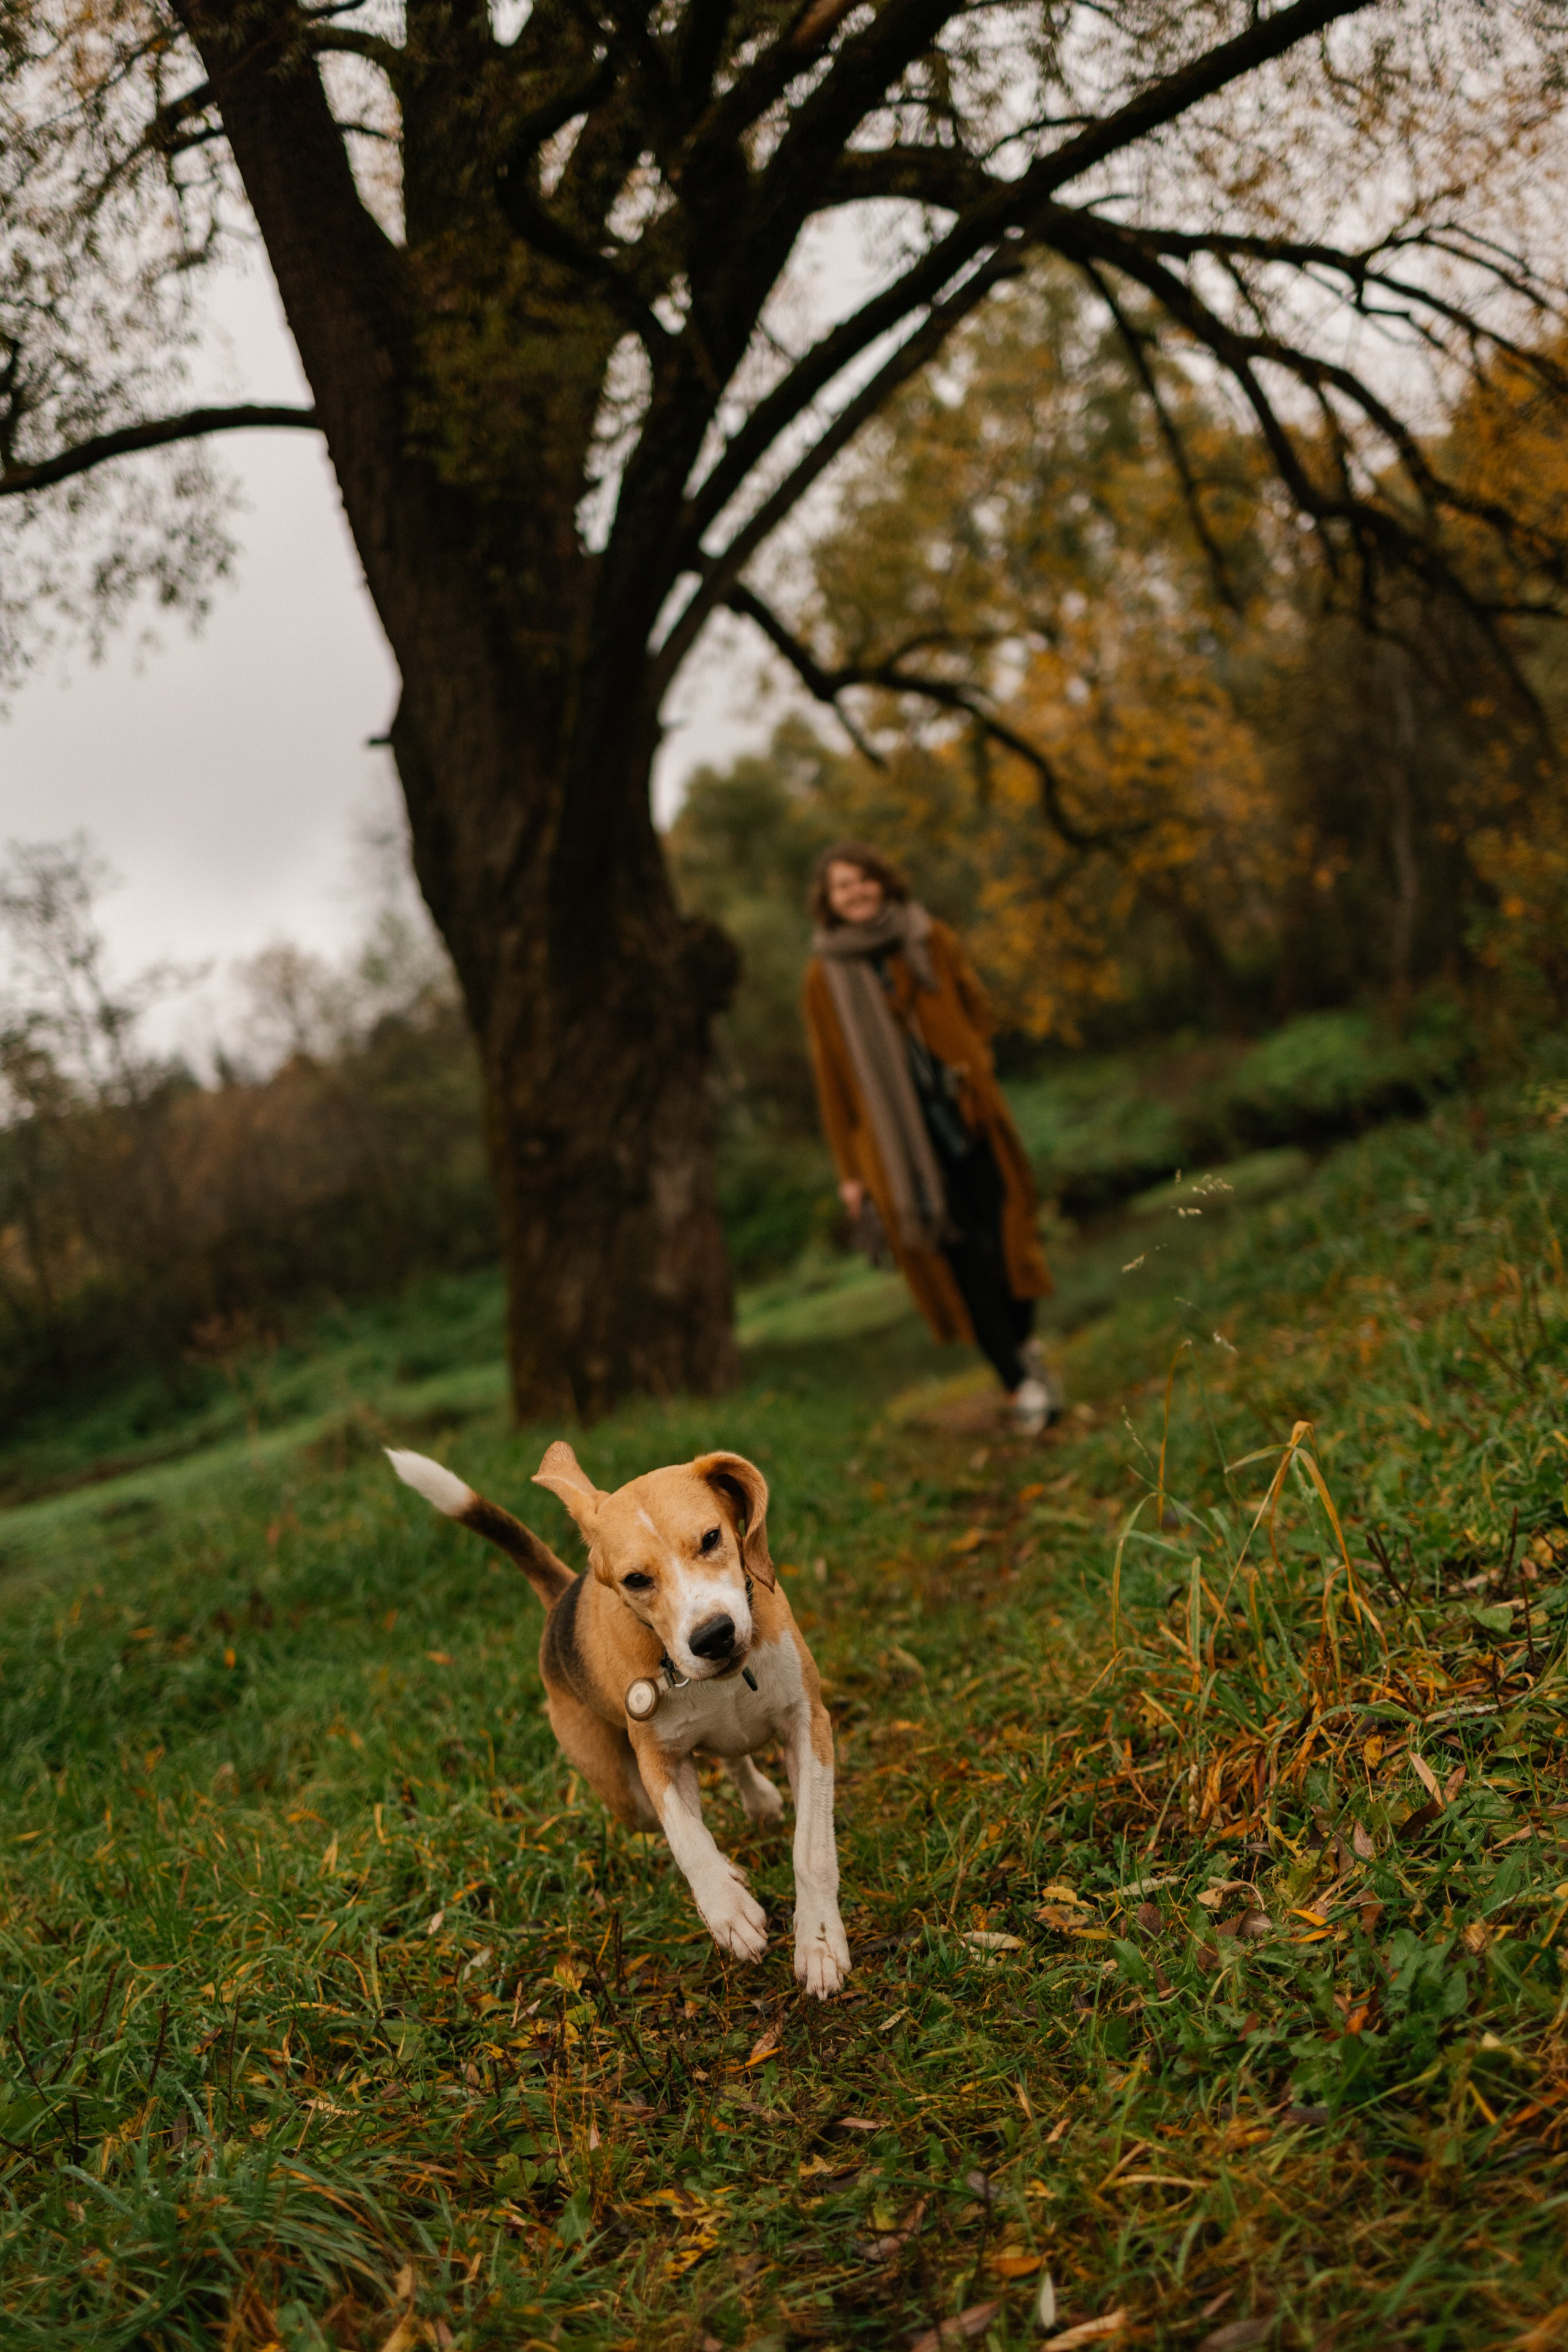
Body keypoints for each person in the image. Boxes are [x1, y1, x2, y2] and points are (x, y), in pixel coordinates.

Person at [802, 842, 1057, 1433]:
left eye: (865, 880)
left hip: (968, 1117)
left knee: (1008, 1234)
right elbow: (831, 1078)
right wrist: (850, 1173)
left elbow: (975, 1004)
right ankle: (1020, 1384)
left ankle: (1022, 1346)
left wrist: (972, 1060)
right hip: (896, 1149)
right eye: (844, 886)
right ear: (829, 902)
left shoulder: (928, 936)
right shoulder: (824, 975)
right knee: (961, 1258)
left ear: (884, 883)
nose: (857, 892)